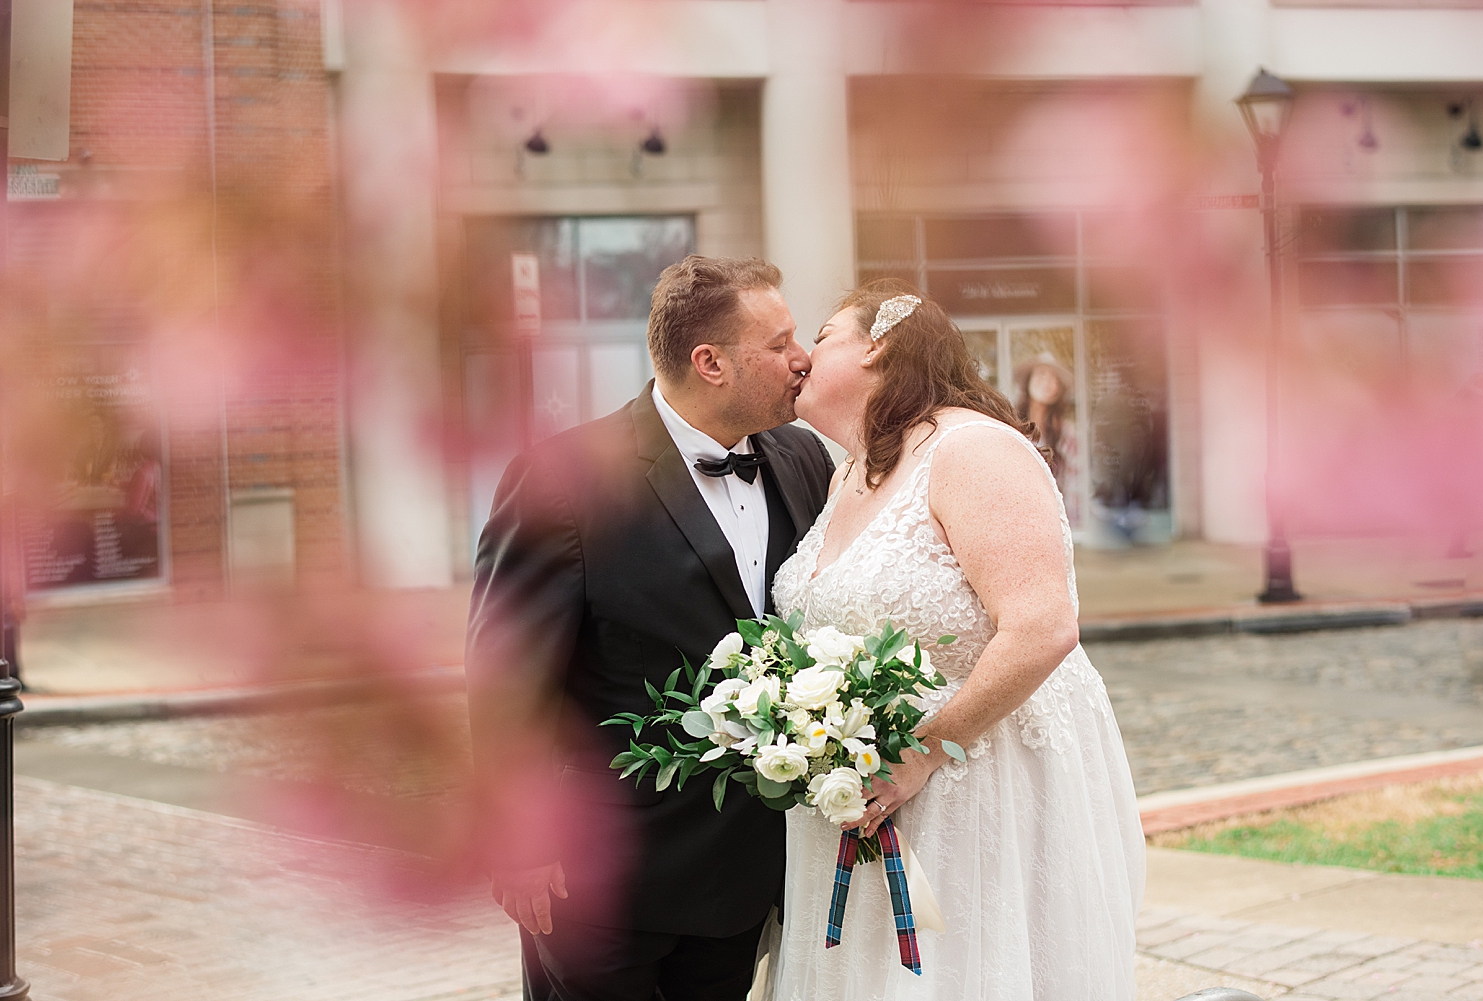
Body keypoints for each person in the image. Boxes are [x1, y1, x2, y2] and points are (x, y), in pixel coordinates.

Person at [466, 255, 836, 1001]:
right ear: (711, 363)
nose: (805, 359)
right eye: (781, 342)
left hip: (741, 876)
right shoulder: (563, 479)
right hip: (596, 882)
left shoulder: (802, 457)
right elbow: (506, 676)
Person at [768, 279, 1143, 999]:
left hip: (968, 798)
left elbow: (1043, 626)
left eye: (819, 337)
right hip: (861, 803)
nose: (802, 358)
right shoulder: (849, 469)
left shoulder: (972, 448)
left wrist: (924, 751)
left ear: (877, 345)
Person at [1011, 351, 1079, 523]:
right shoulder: (1010, 427)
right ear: (1028, 381)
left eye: (1054, 378)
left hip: (1054, 519)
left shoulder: (1066, 433)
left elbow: (1075, 482)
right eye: (1041, 374)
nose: (1047, 382)